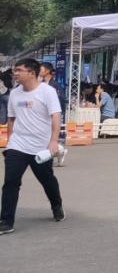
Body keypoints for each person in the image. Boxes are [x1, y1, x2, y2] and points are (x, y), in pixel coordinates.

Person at [1, 58, 65, 235]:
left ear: (31, 73)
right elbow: (11, 119)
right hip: (18, 145)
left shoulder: (47, 92)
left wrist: (53, 141)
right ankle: (6, 221)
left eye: (19, 70)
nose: (15, 73)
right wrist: (9, 142)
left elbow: (55, 116)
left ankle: (56, 205)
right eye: (14, 70)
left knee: (47, 180)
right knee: (11, 182)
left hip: (40, 147)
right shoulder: (15, 93)